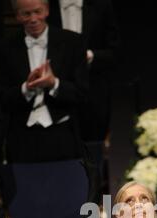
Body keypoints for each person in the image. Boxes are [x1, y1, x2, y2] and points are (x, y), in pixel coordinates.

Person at [0, 0, 89, 163]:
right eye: (26, 14)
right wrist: (27, 88)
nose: (33, 19)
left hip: (63, 134)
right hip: (21, 137)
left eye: (37, 12)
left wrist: (54, 83)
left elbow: (82, 93)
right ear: (17, 16)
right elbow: (1, 98)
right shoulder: (5, 48)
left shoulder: (72, 43)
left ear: (47, 10)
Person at [48, 0, 119, 141]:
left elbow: (115, 53)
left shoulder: (101, 5)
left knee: (93, 152)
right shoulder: (45, 6)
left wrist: (90, 56)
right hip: (55, 99)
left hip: (94, 93)